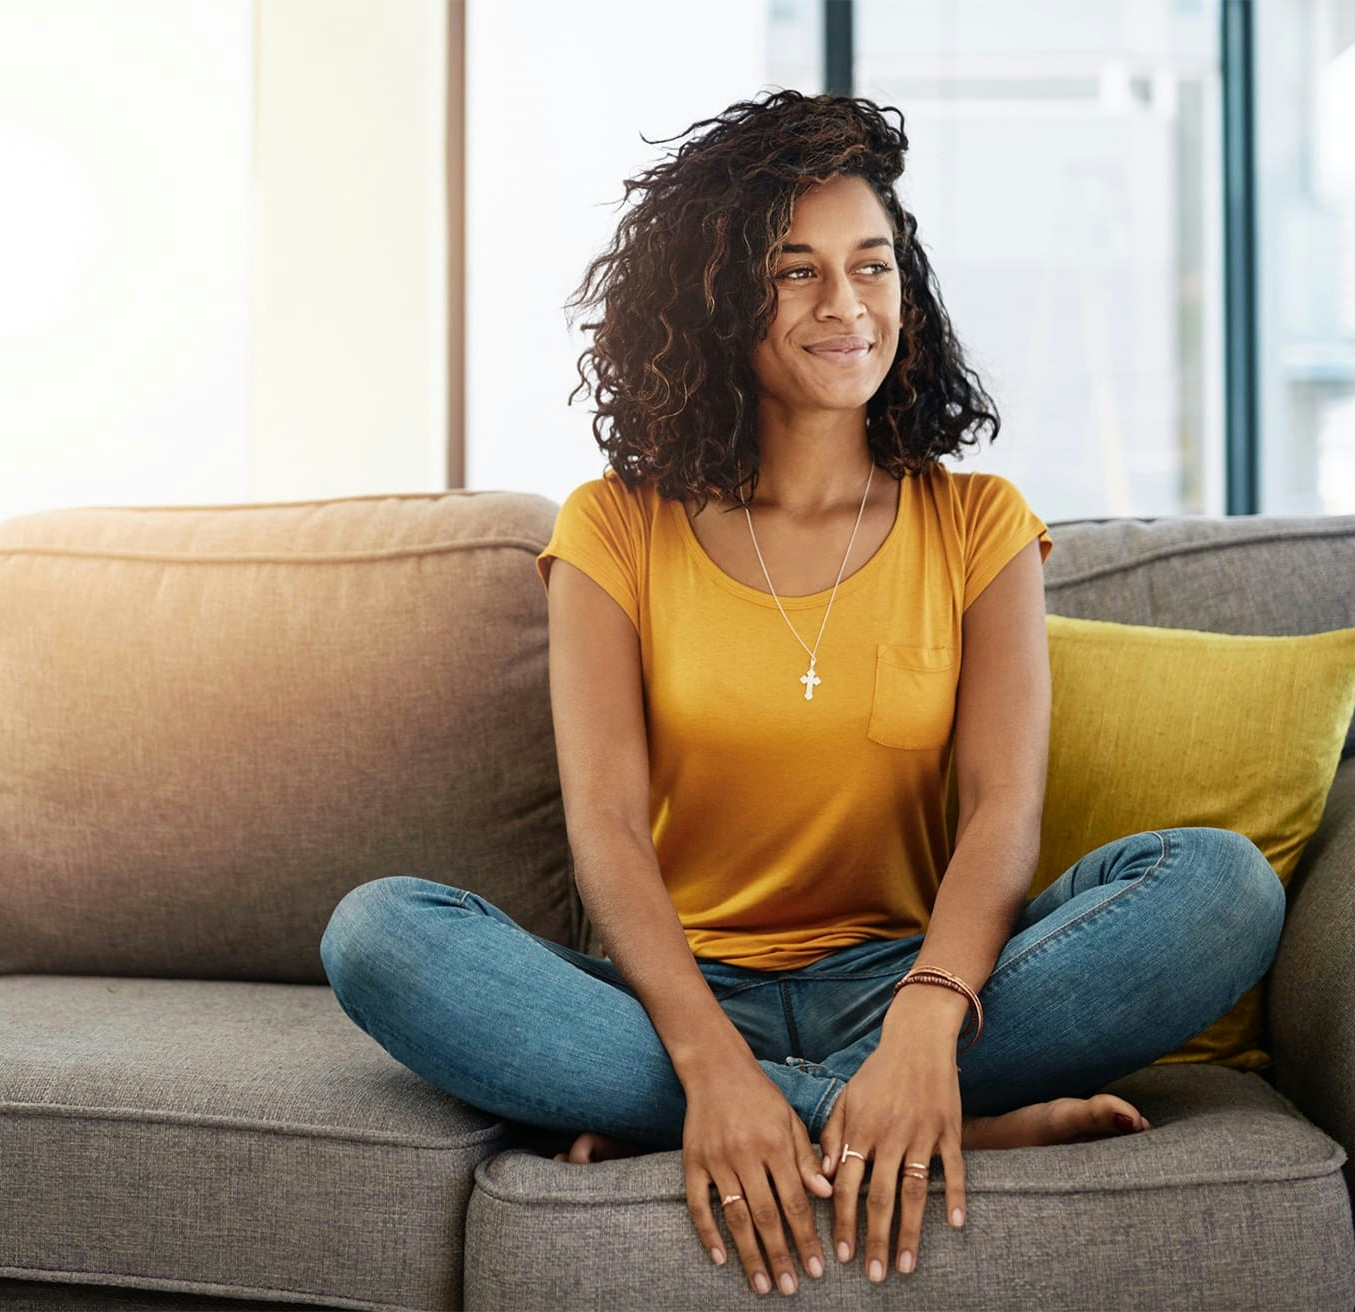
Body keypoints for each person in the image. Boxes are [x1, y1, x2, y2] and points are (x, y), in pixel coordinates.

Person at [318, 89, 1284, 1297]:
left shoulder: (975, 520)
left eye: (870, 267)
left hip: (921, 975)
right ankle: (892, 1123)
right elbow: (607, 826)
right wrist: (709, 1060)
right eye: (797, 273)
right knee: (378, 934)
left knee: (1220, 888)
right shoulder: (615, 524)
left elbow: (1000, 810)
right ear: (722, 301)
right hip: (674, 997)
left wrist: (929, 1026)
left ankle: (831, 1108)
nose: (846, 305)